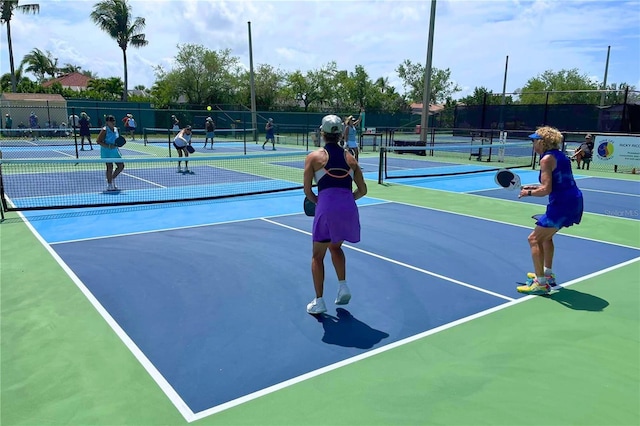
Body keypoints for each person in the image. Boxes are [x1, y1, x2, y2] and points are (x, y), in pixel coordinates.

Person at [303, 114, 368, 314]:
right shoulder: (351, 158)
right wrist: (346, 201)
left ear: (322, 133)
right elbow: (363, 190)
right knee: (336, 247)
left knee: (317, 256)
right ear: (340, 134)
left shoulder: (314, 157)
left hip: (326, 208)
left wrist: (320, 202)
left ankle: (319, 301)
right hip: (348, 209)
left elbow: (307, 190)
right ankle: (343, 286)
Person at [516, 126, 584, 295]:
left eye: (534, 140)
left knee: (533, 239)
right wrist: (534, 186)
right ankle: (547, 274)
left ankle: (540, 283)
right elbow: (557, 184)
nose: (532, 143)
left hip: (562, 205)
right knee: (546, 238)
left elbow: (546, 190)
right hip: (573, 201)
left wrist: (529, 192)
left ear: (542, 142)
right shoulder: (561, 156)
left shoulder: (546, 159)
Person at [96, 115, 125, 191]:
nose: (113, 122)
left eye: (114, 120)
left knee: (121, 166)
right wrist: (108, 146)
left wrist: (116, 145)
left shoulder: (116, 129)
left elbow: (116, 140)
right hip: (106, 151)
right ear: (107, 122)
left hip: (115, 151)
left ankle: (111, 179)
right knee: (109, 167)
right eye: (111, 121)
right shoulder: (104, 130)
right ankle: (109, 184)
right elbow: (98, 141)